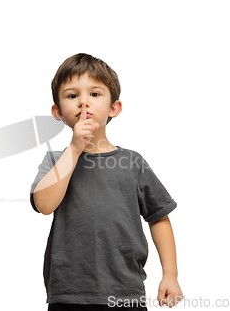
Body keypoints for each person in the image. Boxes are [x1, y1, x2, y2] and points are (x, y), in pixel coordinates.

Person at [30, 53, 183, 310]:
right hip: (69, 295)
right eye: (72, 95)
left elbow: (158, 217)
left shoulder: (132, 162)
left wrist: (171, 275)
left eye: (95, 94)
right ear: (58, 111)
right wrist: (74, 149)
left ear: (114, 108)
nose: (83, 103)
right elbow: (44, 205)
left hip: (125, 292)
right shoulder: (56, 161)